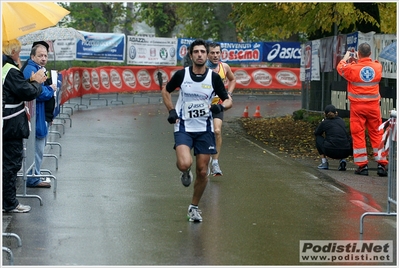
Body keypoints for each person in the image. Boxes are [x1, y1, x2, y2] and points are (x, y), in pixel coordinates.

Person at [161, 39, 233, 222]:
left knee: (202, 171)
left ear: (207, 55)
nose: (200, 54)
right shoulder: (181, 75)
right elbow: (166, 90)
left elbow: (228, 100)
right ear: (191, 55)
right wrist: (171, 110)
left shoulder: (214, 78)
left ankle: (193, 207)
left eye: (203, 51)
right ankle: (185, 172)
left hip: (205, 129)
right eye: (196, 52)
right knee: (185, 164)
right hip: (184, 126)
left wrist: (221, 108)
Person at [2, 39, 47, 213]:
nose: (19, 55)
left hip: (7, 122)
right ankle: (10, 203)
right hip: (11, 124)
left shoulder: (7, 69)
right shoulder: (11, 70)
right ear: (13, 52)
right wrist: (36, 82)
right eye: (18, 52)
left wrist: (30, 80)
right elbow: (26, 92)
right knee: (11, 164)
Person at [337, 42, 388, 176]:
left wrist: (347, 57)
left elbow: (340, 67)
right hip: (373, 107)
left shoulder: (352, 68)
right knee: (377, 134)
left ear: (358, 54)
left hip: (357, 107)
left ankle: (362, 166)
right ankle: (382, 164)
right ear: (370, 54)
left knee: (358, 135)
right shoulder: (377, 66)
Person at [22, 43, 56, 187]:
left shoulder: (39, 69)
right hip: (36, 115)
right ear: (32, 56)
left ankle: (34, 175)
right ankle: (33, 178)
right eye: (40, 55)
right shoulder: (30, 69)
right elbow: (38, 92)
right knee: (36, 148)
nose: (43, 58)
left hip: (41, 115)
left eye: (45, 55)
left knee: (38, 147)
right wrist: (50, 89)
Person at [205, 42, 236, 176]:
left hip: (218, 106)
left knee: (217, 131)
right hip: (202, 107)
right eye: (212, 53)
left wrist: (229, 94)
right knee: (205, 134)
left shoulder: (225, 67)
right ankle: (204, 162)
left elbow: (232, 79)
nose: (215, 55)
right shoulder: (202, 68)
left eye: (218, 52)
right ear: (207, 54)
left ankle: (215, 162)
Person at [314, 105, 353, 171]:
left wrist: (323, 123)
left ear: (324, 114)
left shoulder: (324, 122)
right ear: (336, 113)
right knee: (345, 139)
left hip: (330, 150)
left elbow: (316, 133)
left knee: (318, 138)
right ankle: (343, 160)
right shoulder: (341, 121)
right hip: (346, 151)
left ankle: (324, 163)